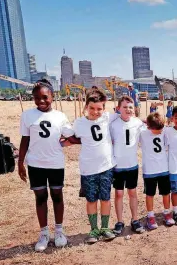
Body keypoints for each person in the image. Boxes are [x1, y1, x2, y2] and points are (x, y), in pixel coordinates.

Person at [18, 79, 74, 252]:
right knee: (40, 198)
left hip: (55, 163)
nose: (41, 101)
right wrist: (20, 162)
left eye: (44, 97)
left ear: (52, 96)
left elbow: (70, 136)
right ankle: (43, 233)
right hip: (35, 164)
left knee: (57, 196)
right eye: (36, 98)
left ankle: (59, 231)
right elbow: (25, 140)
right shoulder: (27, 115)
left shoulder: (60, 116)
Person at [71, 89, 117, 244]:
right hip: (88, 169)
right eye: (92, 108)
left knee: (105, 198)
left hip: (106, 167)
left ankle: (105, 228)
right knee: (91, 200)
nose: (95, 112)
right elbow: (71, 137)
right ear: (86, 107)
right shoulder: (79, 123)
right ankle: (93, 229)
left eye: (99, 108)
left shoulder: (107, 118)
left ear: (104, 109)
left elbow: (127, 116)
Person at [110, 96, 145, 235]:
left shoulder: (138, 123)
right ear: (118, 108)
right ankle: (119, 221)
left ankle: (135, 220)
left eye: (130, 107)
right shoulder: (113, 124)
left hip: (132, 165)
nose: (128, 109)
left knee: (132, 192)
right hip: (117, 166)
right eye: (124, 107)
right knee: (118, 193)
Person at [139, 113, 175, 230]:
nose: (160, 131)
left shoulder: (164, 130)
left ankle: (166, 212)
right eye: (157, 130)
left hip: (164, 168)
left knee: (166, 192)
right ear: (149, 127)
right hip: (149, 170)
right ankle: (150, 215)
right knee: (150, 194)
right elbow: (136, 121)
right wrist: (144, 121)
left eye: (161, 129)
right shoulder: (142, 132)